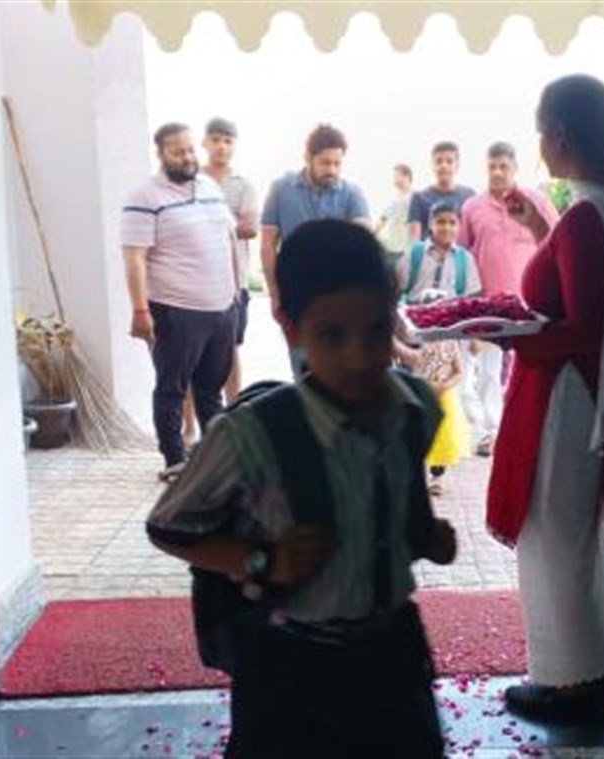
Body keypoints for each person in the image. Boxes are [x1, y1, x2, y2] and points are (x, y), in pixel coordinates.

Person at [145, 219, 457, 758]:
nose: (360, 357)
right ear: (290, 327)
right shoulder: (249, 435)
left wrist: (423, 534)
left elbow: (392, 496)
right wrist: (262, 560)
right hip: (288, 670)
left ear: (394, 316)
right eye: (332, 335)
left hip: (392, 653)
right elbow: (167, 527)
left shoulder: (415, 410)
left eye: (376, 330)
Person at [486, 75, 604, 722]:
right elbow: (580, 295)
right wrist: (544, 229)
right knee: (571, 537)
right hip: (579, 393)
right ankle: (593, 668)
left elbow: (583, 329)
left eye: (541, 132)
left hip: (568, 398)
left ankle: (571, 685)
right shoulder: (595, 207)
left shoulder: (589, 215)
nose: (539, 144)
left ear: (557, 134)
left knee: (555, 539)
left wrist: (504, 333)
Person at [122, 122, 239, 480]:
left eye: (189, 150)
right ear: (161, 154)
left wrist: (236, 294)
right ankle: (175, 459)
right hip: (175, 310)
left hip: (222, 308)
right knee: (172, 388)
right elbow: (134, 257)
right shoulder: (145, 197)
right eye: (177, 152)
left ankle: (215, 458)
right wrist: (140, 309)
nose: (187, 157)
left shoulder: (210, 187)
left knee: (211, 389)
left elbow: (228, 239)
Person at [459, 142, 560, 456]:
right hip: (489, 306)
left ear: (515, 168)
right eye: (492, 166)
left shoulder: (536, 202)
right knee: (489, 374)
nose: (497, 172)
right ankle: (491, 434)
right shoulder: (472, 207)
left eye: (503, 166)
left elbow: (558, 240)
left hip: (531, 305)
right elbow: (463, 254)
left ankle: (528, 430)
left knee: (529, 372)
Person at [260, 124, 373, 377]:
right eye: (325, 162)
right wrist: (275, 294)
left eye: (337, 163)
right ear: (308, 158)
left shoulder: (352, 193)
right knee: (304, 372)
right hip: (296, 298)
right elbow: (267, 245)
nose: (331, 170)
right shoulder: (281, 189)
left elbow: (364, 244)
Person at [203, 117, 261, 406]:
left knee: (230, 350)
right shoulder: (190, 181)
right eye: (216, 139)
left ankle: (234, 411)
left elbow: (250, 228)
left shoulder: (243, 185)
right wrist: (230, 219)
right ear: (205, 143)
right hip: (194, 284)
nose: (222, 146)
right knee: (193, 354)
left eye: (228, 141)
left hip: (234, 284)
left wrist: (204, 221)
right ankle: (190, 425)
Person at [411, 292, 471, 498]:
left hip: (444, 395)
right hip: (420, 392)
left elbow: (459, 371)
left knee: (441, 436)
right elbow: (408, 365)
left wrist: (445, 385)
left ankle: (437, 477)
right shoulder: (416, 338)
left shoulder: (450, 342)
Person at [394, 202, 482, 301]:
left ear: (459, 226)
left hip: (451, 310)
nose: (446, 228)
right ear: (430, 225)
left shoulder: (466, 259)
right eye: (440, 222)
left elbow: (471, 295)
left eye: (452, 223)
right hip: (415, 308)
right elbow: (396, 289)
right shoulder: (414, 254)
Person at [406, 141, 474, 242]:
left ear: (457, 165)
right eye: (439, 161)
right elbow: (413, 240)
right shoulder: (419, 198)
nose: (444, 166)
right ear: (432, 165)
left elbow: (474, 234)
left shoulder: (470, 196)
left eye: (449, 161)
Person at [375, 164, 415, 260]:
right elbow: (382, 218)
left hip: (407, 249)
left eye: (396, 176)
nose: (393, 179)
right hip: (391, 247)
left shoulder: (415, 197)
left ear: (406, 176)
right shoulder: (393, 198)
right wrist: (371, 235)